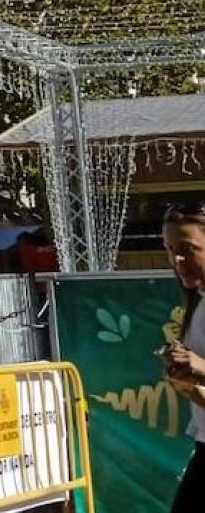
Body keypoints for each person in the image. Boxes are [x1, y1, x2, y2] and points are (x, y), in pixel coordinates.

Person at [159, 200, 205, 511]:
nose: (177, 259)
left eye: (187, 248)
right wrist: (187, 384)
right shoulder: (199, 302)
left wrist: (201, 368)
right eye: (169, 248)